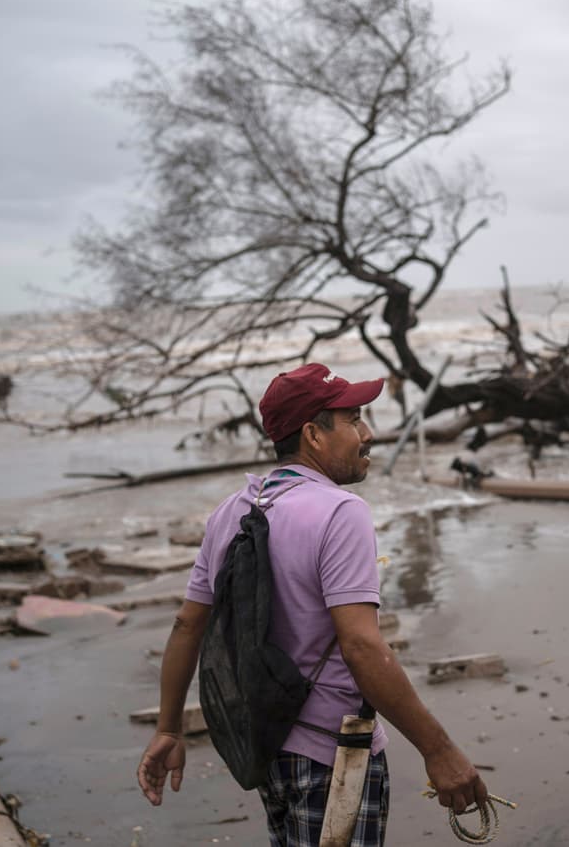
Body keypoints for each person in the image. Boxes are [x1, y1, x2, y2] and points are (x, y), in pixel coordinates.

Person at [137, 362, 488, 845]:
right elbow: (362, 647)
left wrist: (169, 729)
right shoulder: (342, 513)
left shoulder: (233, 510)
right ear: (313, 435)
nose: (368, 434)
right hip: (335, 753)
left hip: (267, 748)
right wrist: (440, 750)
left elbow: (186, 626)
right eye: (354, 420)